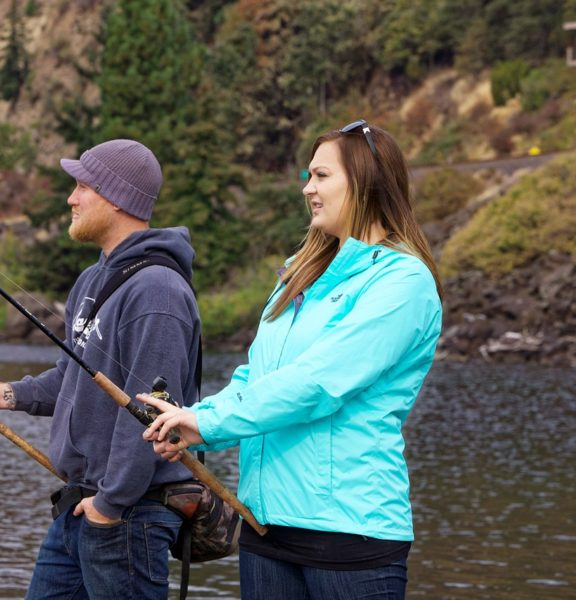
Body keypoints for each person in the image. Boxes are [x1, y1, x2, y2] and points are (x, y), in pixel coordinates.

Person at [140, 120, 443, 600]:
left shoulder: (403, 283)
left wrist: (209, 423)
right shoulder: (298, 276)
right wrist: (191, 422)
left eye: (321, 176)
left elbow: (317, 383)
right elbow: (257, 377)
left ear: (364, 181)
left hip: (351, 534)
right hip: (266, 527)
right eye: (308, 176)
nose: (308, 188)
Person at [0, 139, 202, 599]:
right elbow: (72, 379)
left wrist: (110, 504)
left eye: (82, 186)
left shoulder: (158, 292)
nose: (71, 198)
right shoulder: (92, 279)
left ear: (115, 197)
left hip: (128, 515)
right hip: (82, 506)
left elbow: (150, 413)